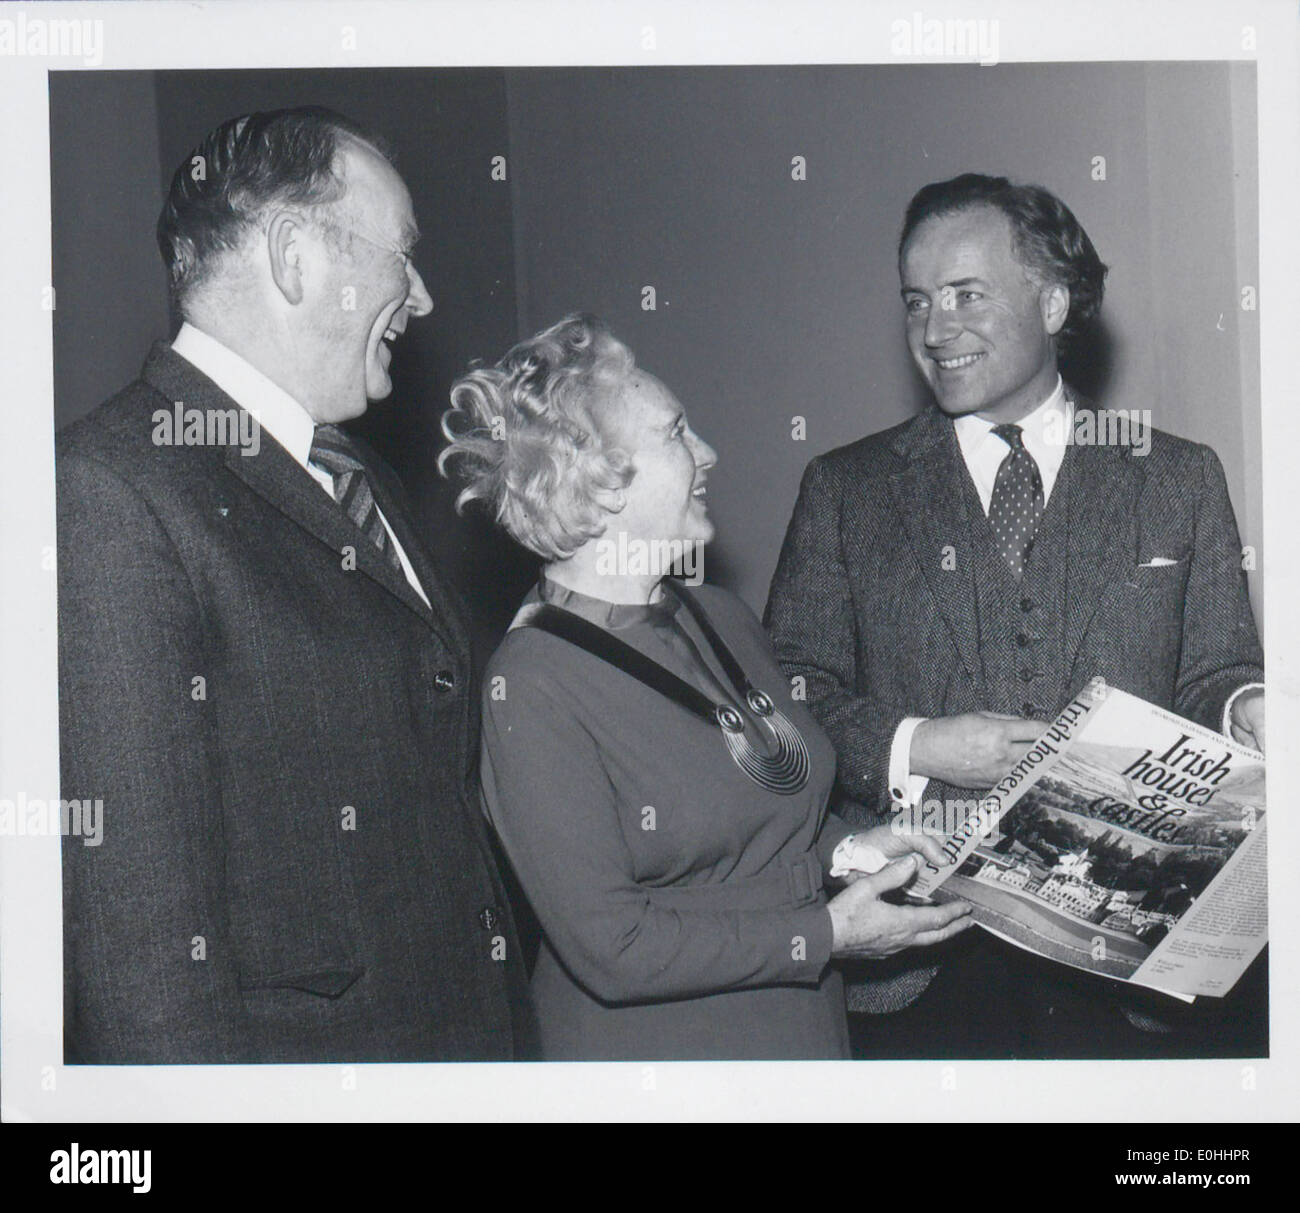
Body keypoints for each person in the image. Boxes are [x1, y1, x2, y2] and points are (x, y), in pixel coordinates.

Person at [58, 107, 534, 1062]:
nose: (425, 297)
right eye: (403, 256)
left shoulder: (364, 478)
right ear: (292, 255)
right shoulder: (108, 490)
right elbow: (143, 962)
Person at [765, 173, 1266, 1059]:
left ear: (1053, 300)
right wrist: (919, 741)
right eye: (918, 301)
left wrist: (1245, 709)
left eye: (966, 294)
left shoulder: (1177, 475)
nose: (934, 329)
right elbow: (787, 692)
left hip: (1128, 974)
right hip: (917, 963)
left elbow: (1215, 669)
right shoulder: (846, 490)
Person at [438, 313, 972, 1060]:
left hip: (803, 1037)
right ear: (599, 481)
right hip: (662, 1066)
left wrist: (856, 851)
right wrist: (829, 932)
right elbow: (612, 945)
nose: (708, 453)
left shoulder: (717, 614)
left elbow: (767, 818)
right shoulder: (530, 685)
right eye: (676, 434)